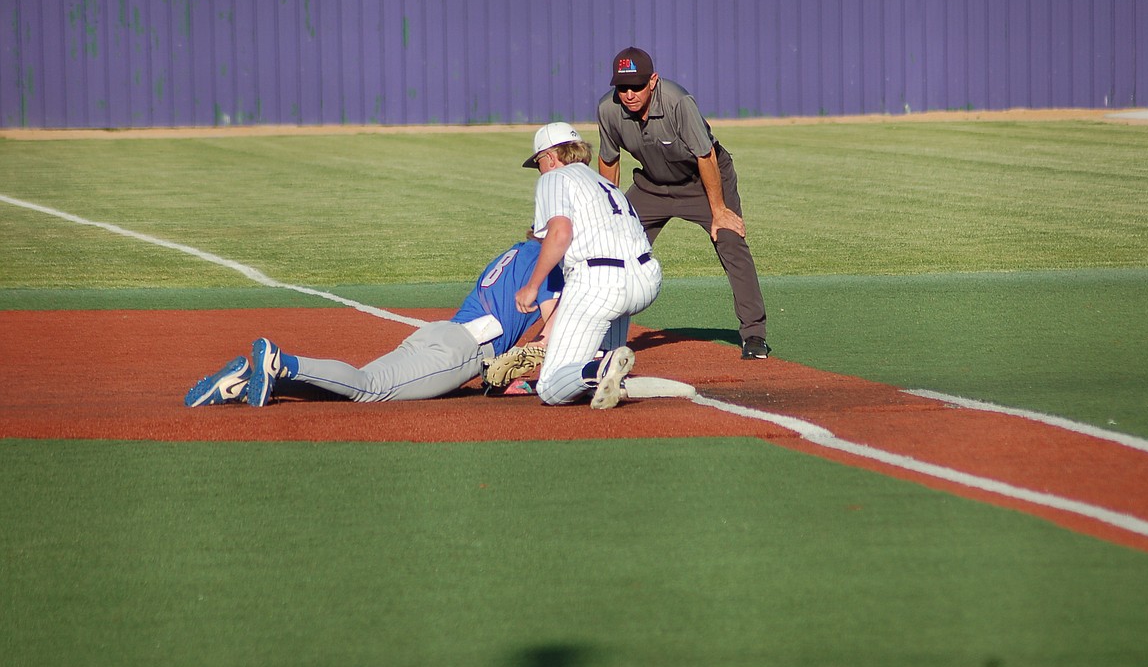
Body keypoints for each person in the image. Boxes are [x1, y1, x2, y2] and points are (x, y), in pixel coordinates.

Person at [183, 239, 562, 407]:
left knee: (351, 384)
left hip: (438, 333)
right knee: (369, 388)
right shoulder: (547, 265)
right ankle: (282, 362)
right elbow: (549, 332)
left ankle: (243, 383)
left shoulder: (518, 251)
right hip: (463, 351)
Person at [597, 46, 771, 360]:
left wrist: (718, 211)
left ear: (653, 81)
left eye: (636, 85)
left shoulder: (678, 102)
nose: (629, 94)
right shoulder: (608, 110)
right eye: (622, 87)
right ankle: (603, 335)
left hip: (702, 182)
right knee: (614, 246)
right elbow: (609, 161)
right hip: (651, 185)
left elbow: (705, 156)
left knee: (730, 238)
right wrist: (611, 213)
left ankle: (754, 334)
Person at [515, 122, 663, 409]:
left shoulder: (553, 178)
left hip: (601, 284)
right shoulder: (606, 184)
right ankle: (603, 364)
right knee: (599, 347)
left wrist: (532, 286)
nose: (540, 170)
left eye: (539, 163)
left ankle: (599, 369)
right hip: (646, 278)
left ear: (550, 157)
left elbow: (560, 234)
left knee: (549, 388)